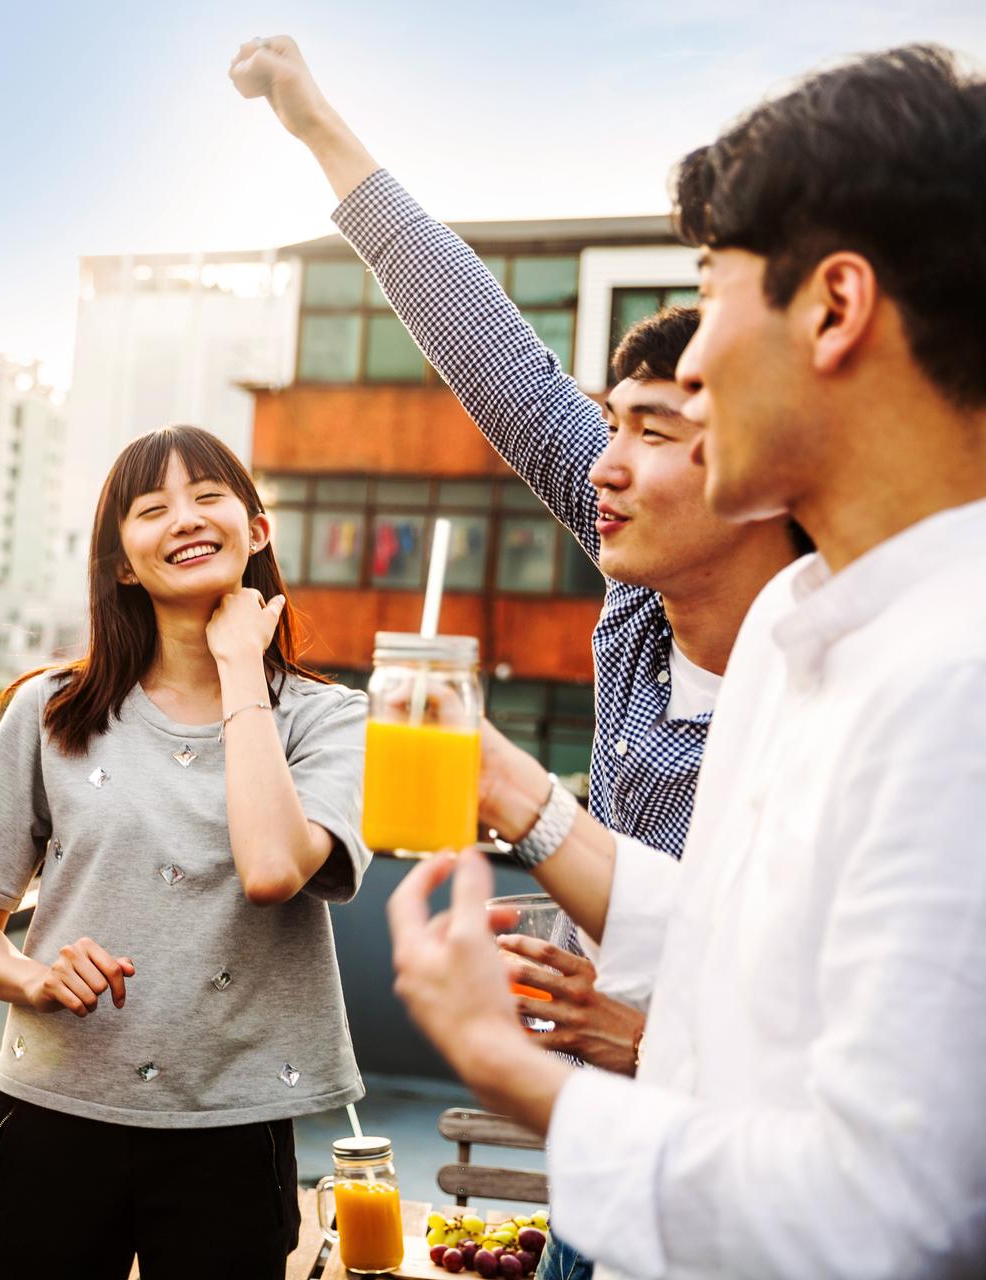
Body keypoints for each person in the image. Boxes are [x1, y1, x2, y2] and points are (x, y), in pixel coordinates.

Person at [381, 45, 986, 1279]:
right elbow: (723, 926)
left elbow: (890, 1212)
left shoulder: (960, 680)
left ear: (837, 306)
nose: (693, 366)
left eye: (710, 295)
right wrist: (520, 794)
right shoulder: (793, 627)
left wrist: (504, 1066)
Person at [230, 40, 809, 1276]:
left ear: (763, 467)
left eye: (653, 428)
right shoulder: (640, 594)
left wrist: (641, 1030)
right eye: (609, 423)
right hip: (603, 1155)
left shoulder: (826, 682)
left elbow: (810, 1045)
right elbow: (484, 341)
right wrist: (315, 123)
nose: (600, 461)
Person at [0, 425, 374, 1279]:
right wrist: (36, 975)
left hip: (234, 1125)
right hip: (52, 1117)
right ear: (124, 564)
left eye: (209, 497)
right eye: (153, 507)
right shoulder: (49, 710)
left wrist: (242, 666)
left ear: (256, 530)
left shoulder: (328, 719)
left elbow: (274, 870)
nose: (185, 518)